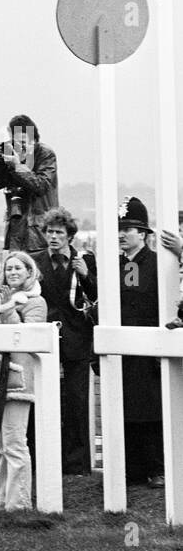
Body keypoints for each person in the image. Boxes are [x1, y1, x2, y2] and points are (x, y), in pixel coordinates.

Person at [0, 251, 47, 511]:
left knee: (15, 443)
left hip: (18, 380)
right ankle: (3, 502)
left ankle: (19, 504)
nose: (13, 272)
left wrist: (4, 310)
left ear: (29, 272)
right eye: (8, 269)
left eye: (18, 268)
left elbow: (25, 338)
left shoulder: (37, 302)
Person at [33, 207, 97, 476]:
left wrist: (86, 275)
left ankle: (77, 463)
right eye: (50, 232)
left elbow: (97, 297)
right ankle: (44, 459)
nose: (54, 237)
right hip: (45, 338)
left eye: (59, 232)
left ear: (70, 235)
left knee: (77, 401)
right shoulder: (35, 261)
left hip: (76, 339)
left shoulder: (84, 260)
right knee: (43, 400)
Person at [118, 197, 165, 488]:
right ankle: (131, 469)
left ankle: (157, 468)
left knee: (151, 410)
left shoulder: (158, 264)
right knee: (125, 409)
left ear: (144, 234)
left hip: (150, 351)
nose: (123, 235)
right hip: (123, 349)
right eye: (120, 230)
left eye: (129, 229)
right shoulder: (115, 266)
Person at [0, 114, 58, 253]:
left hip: (40, 233)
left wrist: (17, 166)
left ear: (34, 140)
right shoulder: (12, 155)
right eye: (16, 142)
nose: (20, 146)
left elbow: (41, 186)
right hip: (16, 231)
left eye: (24, 142)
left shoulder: (45, 155)